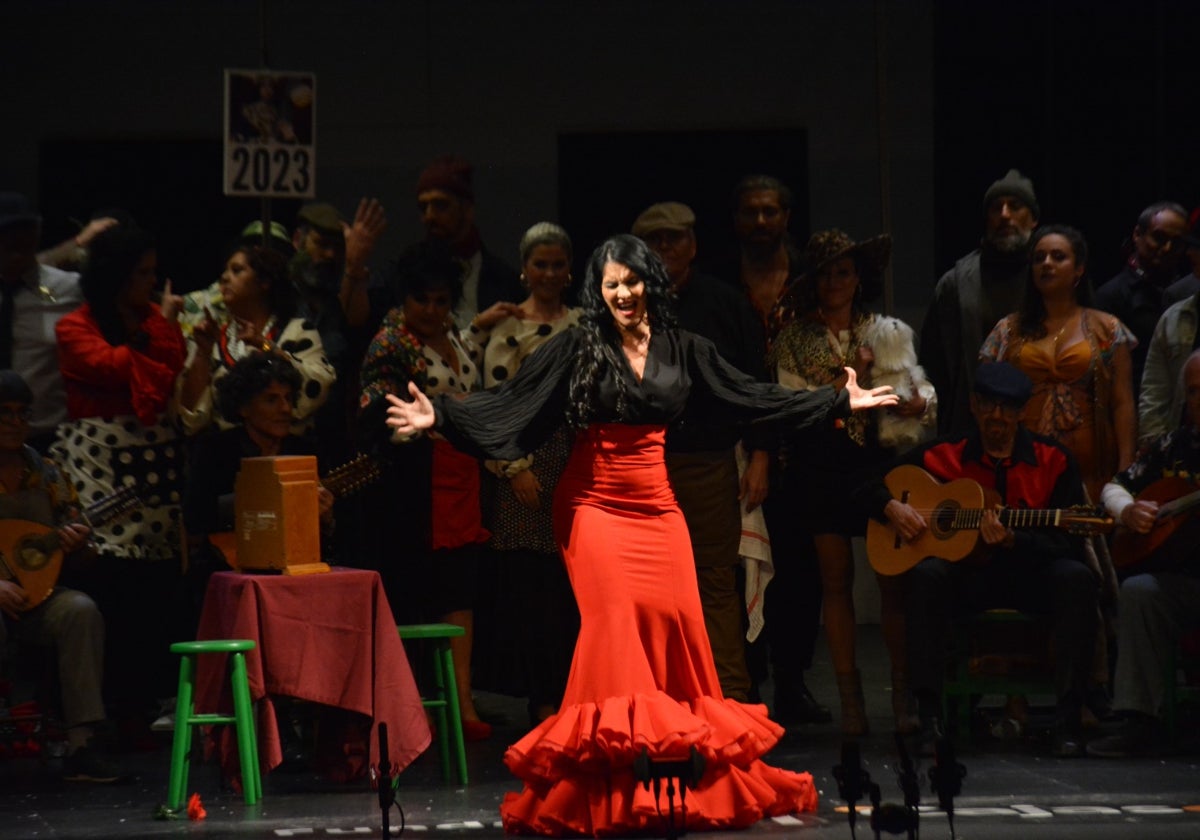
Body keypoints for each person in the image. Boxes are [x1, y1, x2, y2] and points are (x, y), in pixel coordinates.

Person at [383, 234, 898, 835]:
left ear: (649, 282)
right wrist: (439, 416)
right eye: (611, 285)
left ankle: (682, 776)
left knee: (678, 628)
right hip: (593, 505)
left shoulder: (685, 349)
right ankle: (610, 783)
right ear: (598, 293)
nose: (623, 293)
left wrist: (834, 399)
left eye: (631, 281)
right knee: (617, 624)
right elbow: (513, 402)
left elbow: (750, 397)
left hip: (658, 504)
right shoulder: (578, 347)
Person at [858, 362, 1098, 757]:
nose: (997, 417)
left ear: (1022, 411)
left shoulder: (1054, 461)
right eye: (988, 405)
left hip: (1029, 578)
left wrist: (1016, 540)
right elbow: (865, 485)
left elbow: (1069, 543)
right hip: (967, 581)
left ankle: (1069, 718)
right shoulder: (943, 456)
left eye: (1007, 408)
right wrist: (890, 507)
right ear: (973, 406)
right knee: (927, 576)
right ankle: (930, 718)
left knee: (1077, 578)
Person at [770, 229, 934, 735]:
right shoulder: (795, 337)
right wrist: (846, 386)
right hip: (820, 467)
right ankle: (852, 704)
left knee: (892, 580)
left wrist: (918, 401)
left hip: (877, 464)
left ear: (858, 277)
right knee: (834, 583)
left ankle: (903, 697)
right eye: (825, 273)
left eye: (843, 271)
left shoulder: (885, 330)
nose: (835, 281)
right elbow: (789, 403)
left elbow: (920, 387)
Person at [359, 241, 519, 742]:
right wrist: (428, 424)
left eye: (441, 300)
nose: (432, 311)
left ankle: (463, 702)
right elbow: (374, 416)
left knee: (460, 594)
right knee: (416, 596)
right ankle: (415, 709)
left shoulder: (453, 331)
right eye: (422, 301)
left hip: (462, 479)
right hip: (414, 486)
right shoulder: (391, 344)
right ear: (405, 300)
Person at [51, 225, 188, 736]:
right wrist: (153, 339)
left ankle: (147, 704)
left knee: (155, 582)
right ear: (117, 277)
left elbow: (171, 363)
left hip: (154, 464)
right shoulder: (73, 327)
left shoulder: (152, 320)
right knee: (108, 580)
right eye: (143, 274)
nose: (152, 284)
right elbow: (106, 366)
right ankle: (108, 712)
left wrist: (152, 342)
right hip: (96, 464)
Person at [634, 200, 765, 703]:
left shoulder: (724, 303)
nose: (666, 248)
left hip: (709, 459)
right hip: (642, 463)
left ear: (693, 244)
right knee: (648, 587)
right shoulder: (623, 304)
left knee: (714, 577)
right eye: (655, 241)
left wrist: (760, 455)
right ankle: (655, 695)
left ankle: (728, 694)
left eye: (675, 238)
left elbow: (756, 382)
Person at [731, 174, 830, 724]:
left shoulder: (810, 281)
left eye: (771, 211)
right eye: (751, 212)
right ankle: (746, 678)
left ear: (787, 217)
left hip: (805, 442)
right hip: (742, 441)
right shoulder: (724, 284)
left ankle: (793, 681)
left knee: (799, 568)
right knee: (744, 558)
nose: (762, 221)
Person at [474, 222, 580, 725]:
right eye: (541, 264)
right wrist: (514, 467)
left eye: (558, 264)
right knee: (535, 597)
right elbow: (496, 406)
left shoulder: (584, 325)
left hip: (577, 463)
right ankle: (543, 701)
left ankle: (575, 695)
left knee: (574, 591)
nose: (550, 273)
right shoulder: (507, 330)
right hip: (526, 467)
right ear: (524, 269)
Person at [0, 370, 120, 782]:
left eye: (23, 413)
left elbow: (80, 561)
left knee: (79, 610)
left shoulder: (47, 472)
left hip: (36, 597)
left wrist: (77, 543)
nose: (16, 422)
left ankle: (82, 746)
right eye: (5, 414)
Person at [1088, 350, 1200, 757]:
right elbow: (1114, 487)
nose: (1199, 400)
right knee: (1139, 592)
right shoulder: (1174, 446)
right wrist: (1128, 511)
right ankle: (1139, 720)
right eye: (1193, 391)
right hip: (1186, 585)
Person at [980, 224, 1137, 503]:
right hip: (1023, 462)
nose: (1047, 264)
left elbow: (1122, 403)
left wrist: (1125, 471)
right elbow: (985, 398)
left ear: (1078, 269)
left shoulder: (1108, 329)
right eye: (1039, 258)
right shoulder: (1008, 330)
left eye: (1058, 257)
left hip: (1092, 465)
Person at [921, 169, 1040, 435]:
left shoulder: (1049, 277)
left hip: (1039, 420)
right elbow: (932, 364)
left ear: (1033, 219)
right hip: (972, 423)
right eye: (996, 208)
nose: (1005, 215)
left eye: (1015, 206)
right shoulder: (956, 283)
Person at [174, 243, 334, 437]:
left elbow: (317, 388)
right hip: (226, 458)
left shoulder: (297, 330)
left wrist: (265, 345)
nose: (224, 278)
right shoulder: (214, 339)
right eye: (225, 271)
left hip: (288, 454)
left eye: (237, 270)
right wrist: (202, 353)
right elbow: (189, 418)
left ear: (264, 281)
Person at [0, 192, 85, 452]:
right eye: (8, 230)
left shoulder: (69, 289)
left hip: (47, 438)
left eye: (26, 229)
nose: (18, 238)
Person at [408, 154, 522, 330]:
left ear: (468, 209)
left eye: (441, 205)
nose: (429, 216)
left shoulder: (505, 280)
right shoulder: (406, 272)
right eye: (423, 207)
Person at [1094, 201, 1190, 394]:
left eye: (1177, 243)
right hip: (1134, 403)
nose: (1167, 248)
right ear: (1137, 234)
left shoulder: (1189, 290)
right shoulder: (1110, 296)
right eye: (1159, 237)